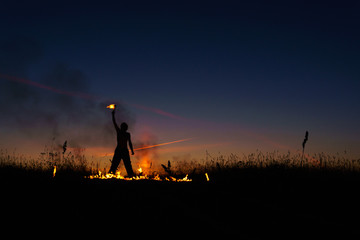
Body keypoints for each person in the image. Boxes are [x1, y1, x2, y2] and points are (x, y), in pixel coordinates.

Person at [108, 107, 135, 177]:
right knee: (114, 164)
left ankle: (131, 175)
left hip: (124, 151)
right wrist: (113, 115)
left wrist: (132, 150)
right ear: (122, 127)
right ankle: (111, 174)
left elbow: (130, 143)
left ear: (126, 128)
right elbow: (114, 123)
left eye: (125, 127)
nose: (124, 128)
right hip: (119, 150)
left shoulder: (127, 134)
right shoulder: (119, 132)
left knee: (128, 164)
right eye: (123, 127)